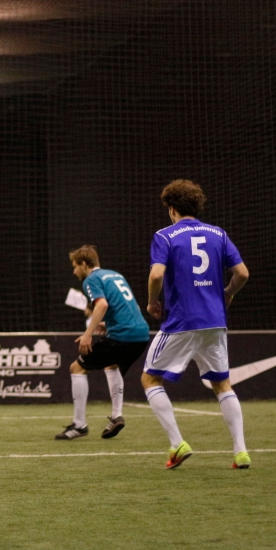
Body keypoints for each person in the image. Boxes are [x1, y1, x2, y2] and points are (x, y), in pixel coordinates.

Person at [141, 179, 250, 470]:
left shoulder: (165, 236)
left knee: (150, 379)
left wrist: (152, 302)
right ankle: (241, 452)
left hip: (182, 320)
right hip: (215, 320)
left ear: (172, 208)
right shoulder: (218, 234)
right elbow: (242, 273)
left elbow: (156, 275)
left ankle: (177, 444)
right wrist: (228, 293)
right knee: (222, 383)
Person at [55, 245, 150, 441]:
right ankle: (116, 417)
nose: (74, 272)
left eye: (75, 266)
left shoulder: (91, 279)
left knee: (77, 368)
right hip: (141, 334)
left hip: (123, 336)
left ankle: (79, 425)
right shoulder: (115, 275)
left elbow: (102, 305)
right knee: (111, 365)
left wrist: (88, 334)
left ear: (84, 264)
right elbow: (127, 305)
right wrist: (109, 324)